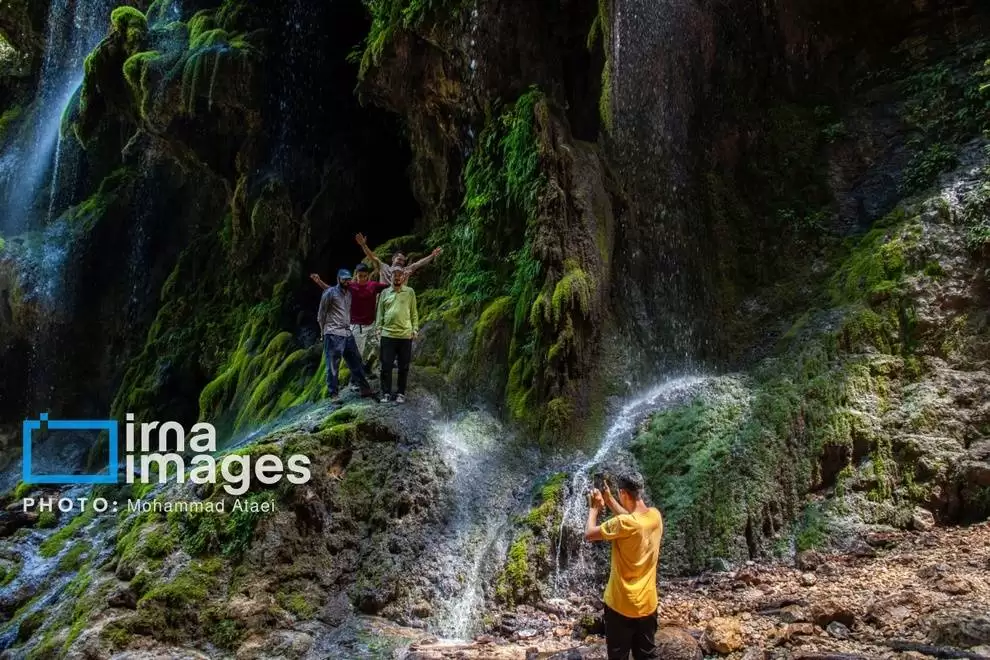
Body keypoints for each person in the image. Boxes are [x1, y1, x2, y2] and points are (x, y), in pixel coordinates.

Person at [585, 471, 664, 660]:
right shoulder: (654, 516)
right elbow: (632, 520)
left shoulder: (623, 523)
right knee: (647, 656)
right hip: (647, 604)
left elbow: (589, 534)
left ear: (624, 494)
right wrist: (610, 499)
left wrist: (595, 508)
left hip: (620, 605)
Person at [311, 263, 388, 373]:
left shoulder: (373, 285)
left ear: (368, 275)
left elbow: (390, 287)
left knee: (380, 346)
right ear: (356, 275)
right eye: (360, 276)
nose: (362, 278)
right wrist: (319, 281)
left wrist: (403, 277)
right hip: (357, 326)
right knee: (356, 356)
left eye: (365, 276)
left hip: (372, 325)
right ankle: (354, 383)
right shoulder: (351, 287)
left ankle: (368, 365)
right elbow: (331, 290)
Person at [316, 269, 375, 402]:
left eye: (348, 279)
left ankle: (364, 388)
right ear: (338, 279)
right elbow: (321, 314)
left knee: (356, 360)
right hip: (332, 333)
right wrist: (323, 332)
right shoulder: (330, 293)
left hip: (347, 333)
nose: (347, 281)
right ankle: (333, 394)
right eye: (344, 279)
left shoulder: (349, 293)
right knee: (333, 365)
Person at [376, 268, 418, 404]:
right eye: (395, 275)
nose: (397, 278)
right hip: (387, 334)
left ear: (404, 277)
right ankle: (386, 393)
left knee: (403, 366)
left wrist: (415, 328)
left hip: (405, 334)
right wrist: (378, 328)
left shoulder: (410, 292)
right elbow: (380, 312)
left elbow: (414, 312)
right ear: (391, 277)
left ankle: (400, 393)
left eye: (400, 275)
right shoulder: (385, 293)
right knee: (386, 365)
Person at [355, 233, 443, 285]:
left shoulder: (405, 270)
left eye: (403, 261)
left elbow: (419, 263)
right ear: (393, 259)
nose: (401, 262)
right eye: (399, 259)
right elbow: (372, 257)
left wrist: (432, 255)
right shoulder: (384, 267)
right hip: (384, 301)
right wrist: (363, 245)